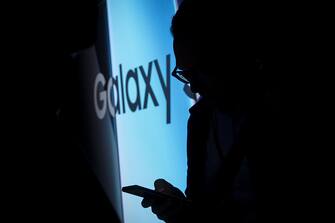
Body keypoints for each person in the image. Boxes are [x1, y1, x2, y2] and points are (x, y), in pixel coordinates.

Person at [141, 1, 284, 222]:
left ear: (231, 55)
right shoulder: (200, 120)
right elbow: (200, 207)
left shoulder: (274, 113)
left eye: (200, 71)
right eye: (186, 74)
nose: (194, 86)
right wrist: (180, 210)